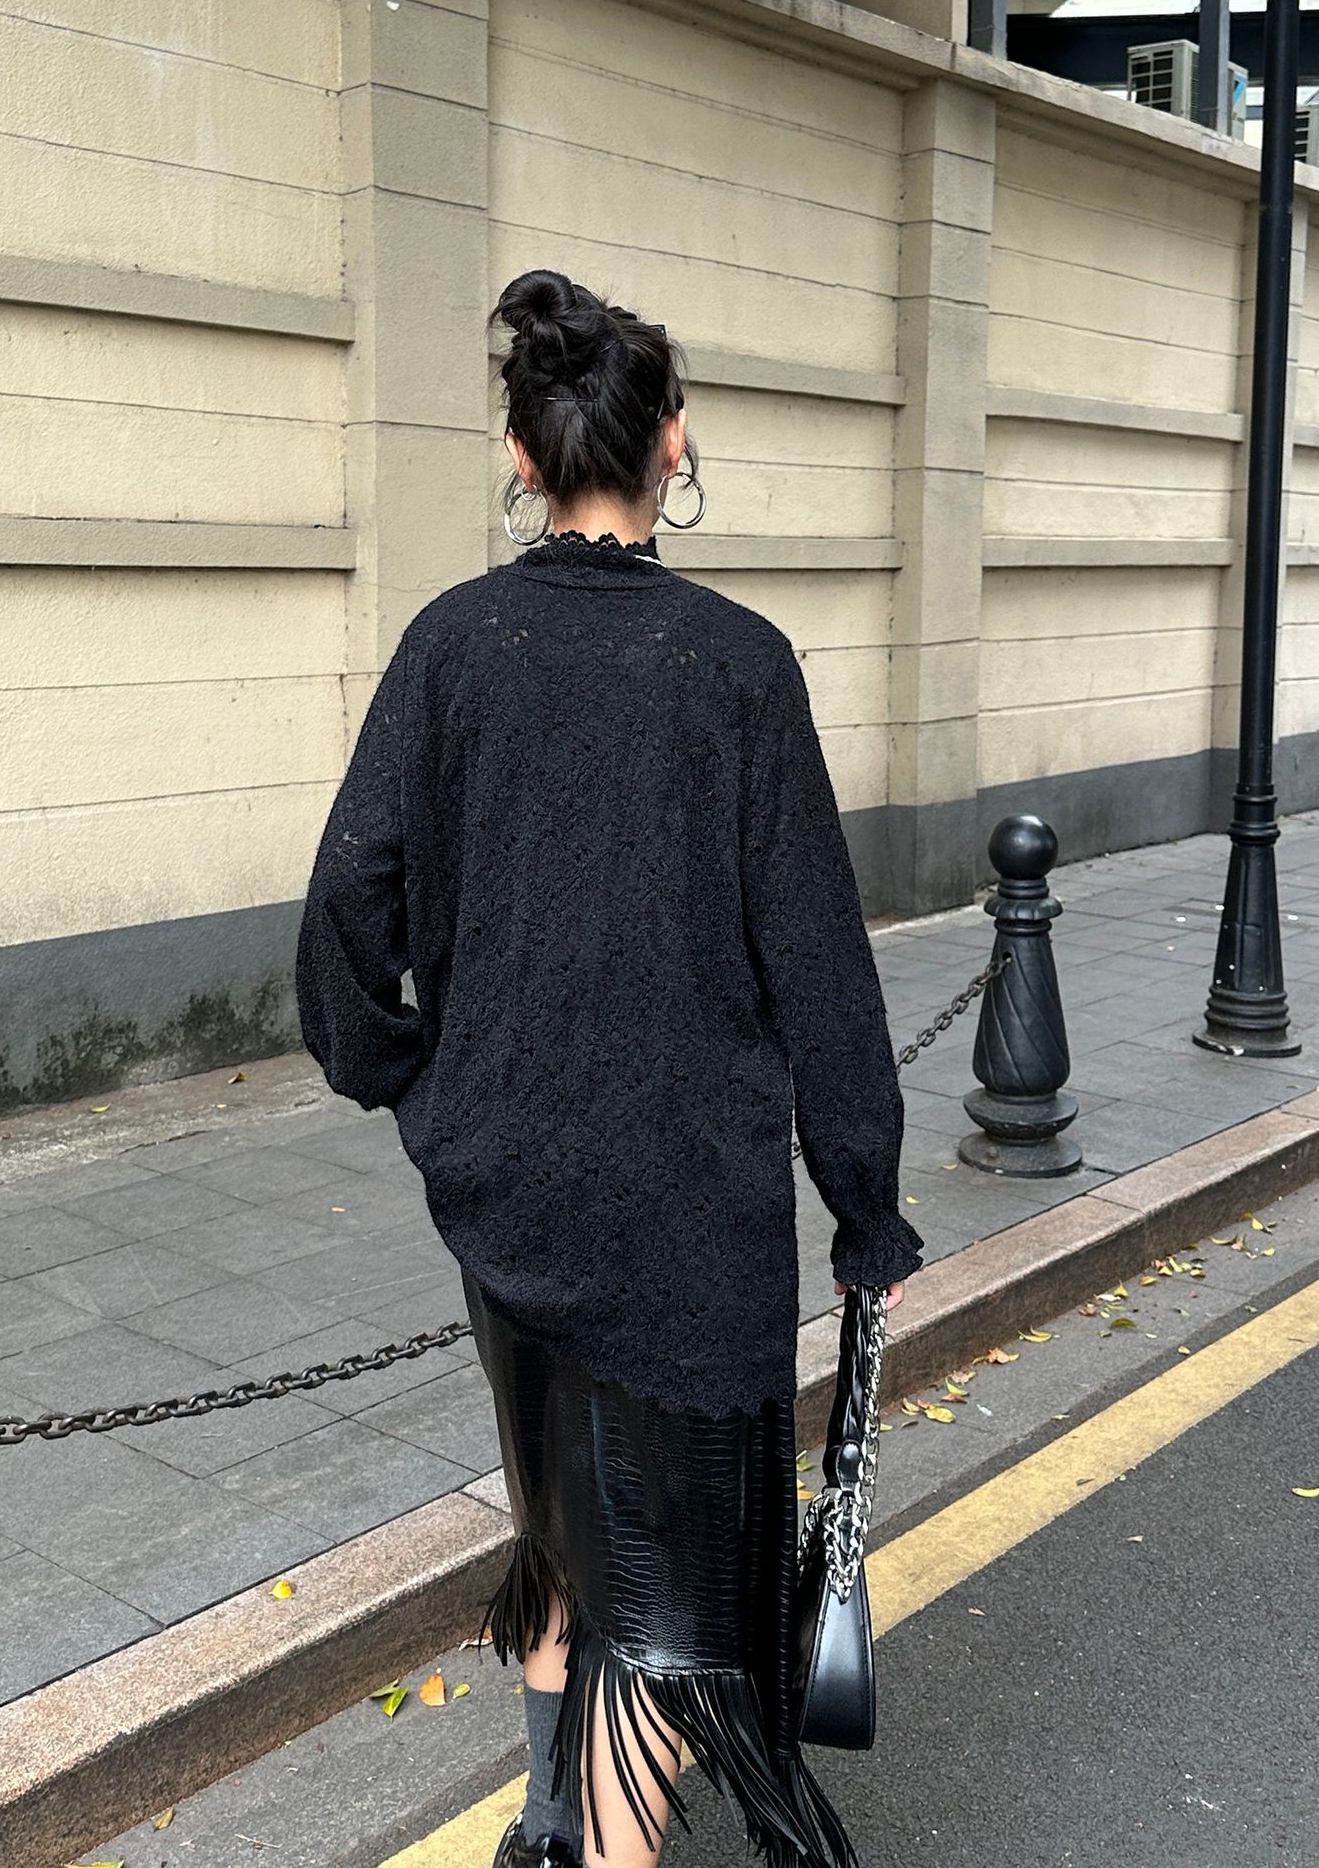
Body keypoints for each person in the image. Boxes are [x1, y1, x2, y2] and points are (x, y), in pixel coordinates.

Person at [294, 269, 922, 1868]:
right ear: (673, 443)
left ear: (521, 454)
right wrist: (864, 1203)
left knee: (563, 1527)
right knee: (667, 1611)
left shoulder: (451, 646)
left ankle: (544, 1822)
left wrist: (414, 1083)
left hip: (507, 1187)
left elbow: (346, 910)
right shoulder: (736, 665)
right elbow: (818, 969)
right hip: (687, 1208)